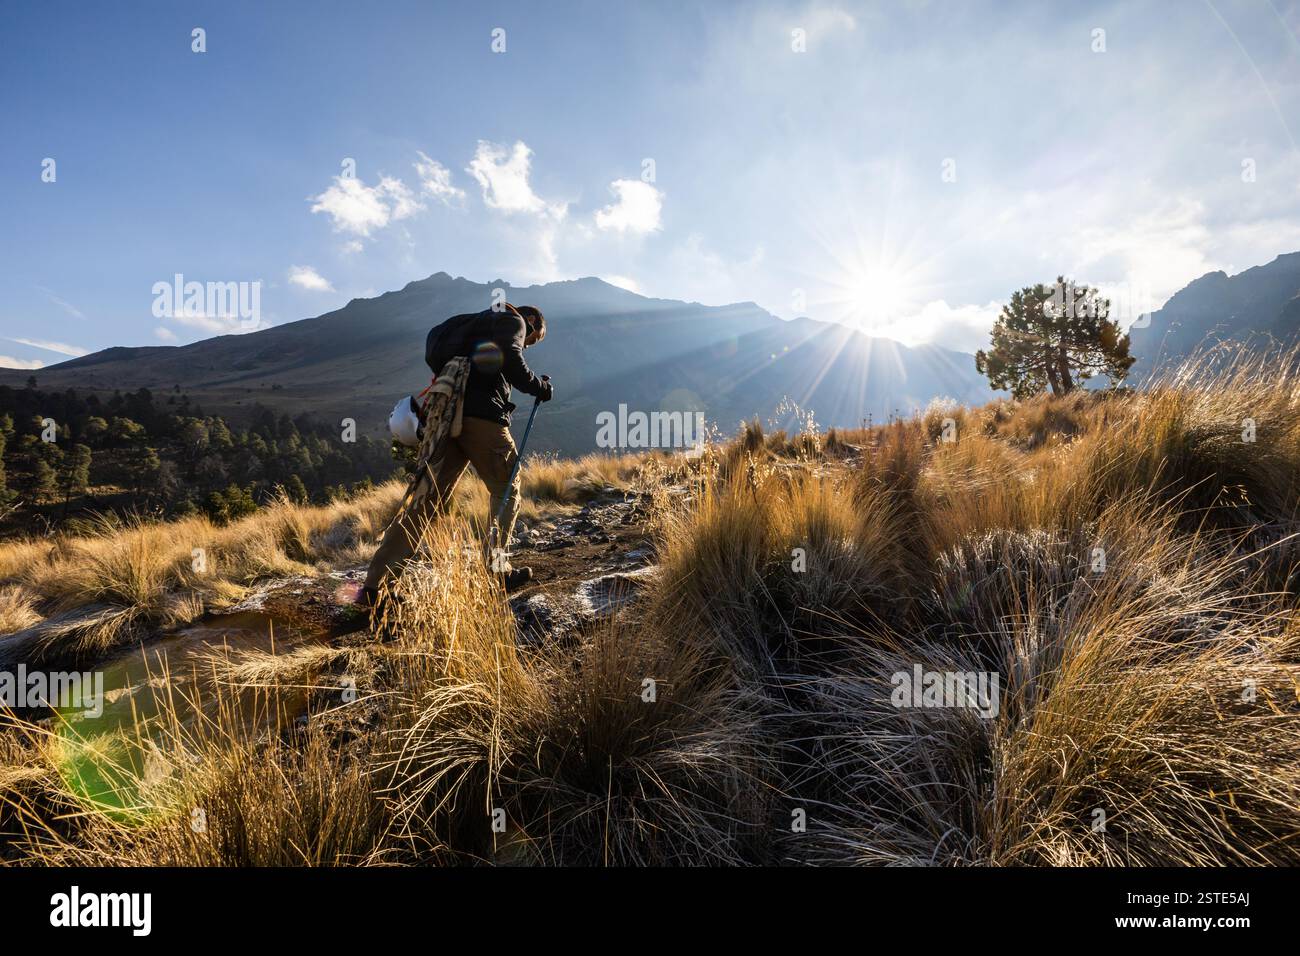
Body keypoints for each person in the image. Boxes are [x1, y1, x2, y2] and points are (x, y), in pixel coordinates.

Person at [360, 303, 553, 602]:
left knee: (425, 499)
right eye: (533, 339)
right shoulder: (514, 321)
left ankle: (376, 585)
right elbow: (512, 358)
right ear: (531, 322)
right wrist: (538, 386)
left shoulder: (472, 326)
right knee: (506, 489)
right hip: (482, 420)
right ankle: (498, 572)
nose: (528, 343)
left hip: (446, 416)